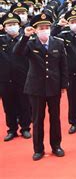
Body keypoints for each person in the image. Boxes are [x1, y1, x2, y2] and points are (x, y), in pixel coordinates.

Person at [13, 13, 68, 161]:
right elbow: (17, 53)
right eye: (41, 28)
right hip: (36, 87)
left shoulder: (58, 43)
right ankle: (38, 149)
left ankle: (56, 145)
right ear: (36, 30)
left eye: (47, 27)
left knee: (55, 118)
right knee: (38, 119)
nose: (45, 30)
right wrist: (24, 36)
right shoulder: (30, 43)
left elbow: (63, 65)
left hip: (54, 86)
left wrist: (63, 84)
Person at [0, 12, 31, 141]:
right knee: (8, 106)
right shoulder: (1, 40)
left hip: (23, 78)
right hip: (5, 79)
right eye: (9, 25)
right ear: (4, 27)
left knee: (24, 104)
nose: (11, 27)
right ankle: (12, 129)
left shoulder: (26, 40)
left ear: (19, 26)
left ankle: (25, 128)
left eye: (14, 24)